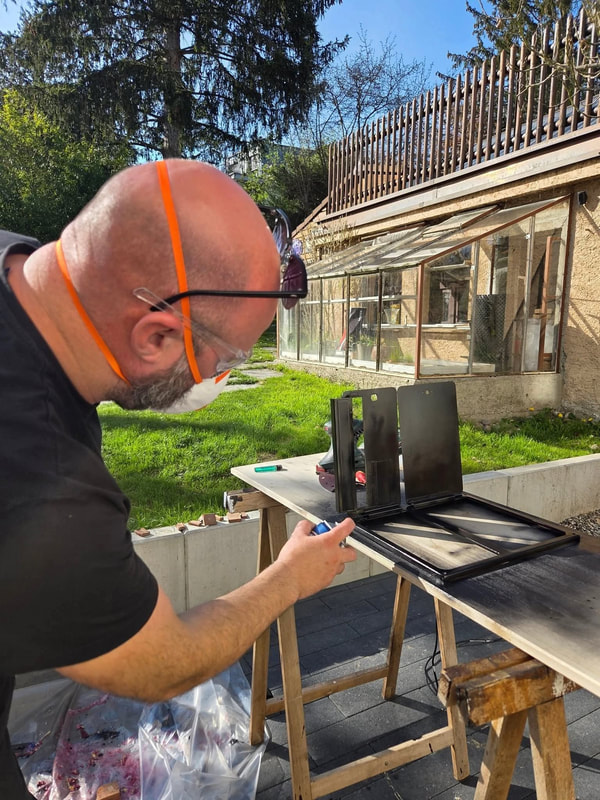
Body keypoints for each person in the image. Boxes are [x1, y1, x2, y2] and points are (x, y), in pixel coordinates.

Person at [0, 158, 356, 798]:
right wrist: (290, 577)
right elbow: (162, 663)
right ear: (157, 337)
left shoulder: (14, 265)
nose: (221, 377)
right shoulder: (40, 480)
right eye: (226, 358)